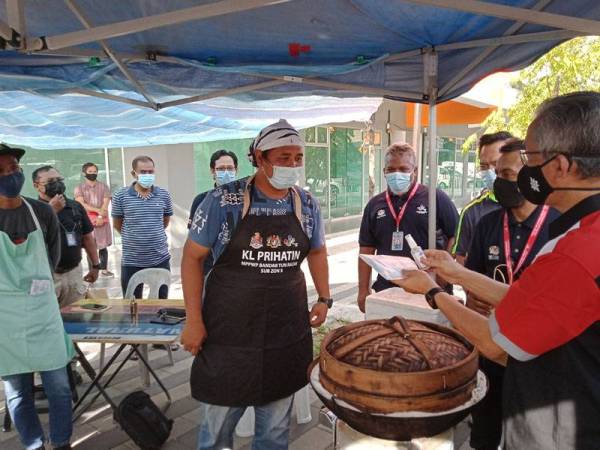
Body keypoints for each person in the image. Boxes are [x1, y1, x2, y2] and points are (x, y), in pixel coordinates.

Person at [393, 91, 600, 449]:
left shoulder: (578, 253)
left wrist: (432, 292)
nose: (523, 173)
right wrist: (454, 273)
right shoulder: (582, 231)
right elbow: (532, 303)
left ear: (561, 167)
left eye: (529, 158)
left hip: (562, 429)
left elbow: (495, 343)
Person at [181, 119, 331, 450]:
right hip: (228, 337)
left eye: (298, 157)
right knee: (217, 432)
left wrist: (324, 298)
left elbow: (318, 250)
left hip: (284, 334)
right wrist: (193, 319)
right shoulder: (223, 201)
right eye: (283, 157)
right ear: (259, 158)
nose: (293, 165)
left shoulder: (306, 204)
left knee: (275, 432)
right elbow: (191, 259)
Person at [464, 139, 558, 450]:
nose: (499, 180)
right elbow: (472, 276)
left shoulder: (558, 225)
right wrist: (471, 294)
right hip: (491, 348)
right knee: (486, 432)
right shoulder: (487, 223)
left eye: (507, 173)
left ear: (532, 174)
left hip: (539, 358)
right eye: (496, 173)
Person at [0, 145, 74, 450]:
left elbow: (53, 258)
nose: (10, 175)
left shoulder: (41, 211)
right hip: (5, 322)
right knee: (17, 394)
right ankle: (34, 445)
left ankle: (61, 442)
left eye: (14, 168)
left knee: (59, 388)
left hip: (44, 313)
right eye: (2, 171)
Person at [357, 142, 459, 312]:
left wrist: (443, 275)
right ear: (384, 172)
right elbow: (366, 248)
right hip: (387, 290)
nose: (397, 174)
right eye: (391, 169)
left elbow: (457, 236)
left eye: (404, 169)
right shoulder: (375, 205)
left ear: (415, 171)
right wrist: (362, 290)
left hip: (430, 288)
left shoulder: (435, 198)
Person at [33, 165, 100, 306]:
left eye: (59, 179)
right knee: (49, 320)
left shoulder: (75, 207)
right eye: (50, 181)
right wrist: (51, 211)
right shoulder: (32, 210)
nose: (56, 184)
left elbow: (88, 238)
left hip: (73, 274)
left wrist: (95, 265)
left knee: (76, 319)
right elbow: (31, 240)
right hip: (48, 276)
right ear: (37, 186)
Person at [111, 156, 173, 299]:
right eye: (143, 172)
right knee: (132, 305)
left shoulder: (163, 195)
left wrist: (151, 233)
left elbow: (164, 221)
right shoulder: (121, 196)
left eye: (150, 172)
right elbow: (117, 224)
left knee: (161, 304)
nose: (147, 175)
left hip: (160, 260)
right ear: (134, 174)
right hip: (131, 261)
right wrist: (134, 237)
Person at [452, 131, 513, 265]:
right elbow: (462, 264)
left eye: (496, 163)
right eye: (484, 166)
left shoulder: (540, 205)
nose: (490, 171)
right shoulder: (471, 212)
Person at [187, 150, 239, 275]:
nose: (226, 172)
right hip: (210, 268)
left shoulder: (249, 199)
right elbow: (194, 239)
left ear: (236, 170)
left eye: (230, 168)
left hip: (240, 268)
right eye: (221, 169)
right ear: (212, 171)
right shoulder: (201, 200)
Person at [75, 162, 114, 277]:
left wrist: (101, 216)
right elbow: (81, 203)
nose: (93, 174)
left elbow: (106, 202)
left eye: (95, 171)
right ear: (84, 173)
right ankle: (93, 270)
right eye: (90, 172)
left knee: (103, 246)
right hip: (86, 220)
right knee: (89, 245)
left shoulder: (104, 186)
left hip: (102, 220)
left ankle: (105, 269)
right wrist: (97, 211)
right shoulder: (79, 188)